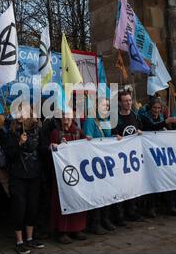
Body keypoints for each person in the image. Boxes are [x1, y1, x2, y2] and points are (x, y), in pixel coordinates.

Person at [0, 105, 45, 254]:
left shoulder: (36, 128)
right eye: (17, 111)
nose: (20, 114)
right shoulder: (10, 131)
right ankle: (19, 240)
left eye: (22, 111)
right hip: (18, 175)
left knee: (32, 207)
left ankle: (30, 238)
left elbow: (39, 148)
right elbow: (9, 155)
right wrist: (19, 143)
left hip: (34, 174)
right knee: (19, 207)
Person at [139, 97, 176, 216]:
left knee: (167, 178)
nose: (157, 110)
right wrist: (166, 122)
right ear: (150, 108)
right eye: (154, 108)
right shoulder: (145, 117)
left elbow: (162, 128)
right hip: (149, 153)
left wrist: (166, 127)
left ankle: (170, 206)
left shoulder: (162, 117)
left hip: (161, 152)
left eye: (159, 108)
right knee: (152, 179)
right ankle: (150, 208)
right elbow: (152, 126)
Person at [49, 115, 87, 244]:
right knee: (62, 200)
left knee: (77, 197)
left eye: (69, 115)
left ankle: (77, 229)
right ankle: (62, 231)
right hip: (62, 172)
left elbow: (85, 148)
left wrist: (89, 141)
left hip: (77, 170)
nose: (66, 118)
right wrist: (53, 146)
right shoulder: (56, 133)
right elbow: (51, 150)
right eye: (64, 115)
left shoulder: (78, 131)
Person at [83, 97, 116, 234]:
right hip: (94, 161)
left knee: (107, 191)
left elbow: (109, 137)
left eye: (108, 106)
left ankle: (105, 218)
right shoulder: (91, 120)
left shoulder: (106, 120)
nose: (106, 108)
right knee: (97, 192)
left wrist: (116, 137)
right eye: (103, 105)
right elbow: (86, 139)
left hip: (106, 161)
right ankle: (94, 222)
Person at [111, 90, 145, 224]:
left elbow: (141, 129)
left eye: (130, 100)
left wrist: (141, 132)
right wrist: (115, 137)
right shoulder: (116, 119)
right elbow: (111, 135)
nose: (128, 103)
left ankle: (132, 211)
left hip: (133, 157)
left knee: (131, 185)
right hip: (119, 157)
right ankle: (119, 215)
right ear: (120, 102)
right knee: (120, 186)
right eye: (125, 100)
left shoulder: (135, 116)